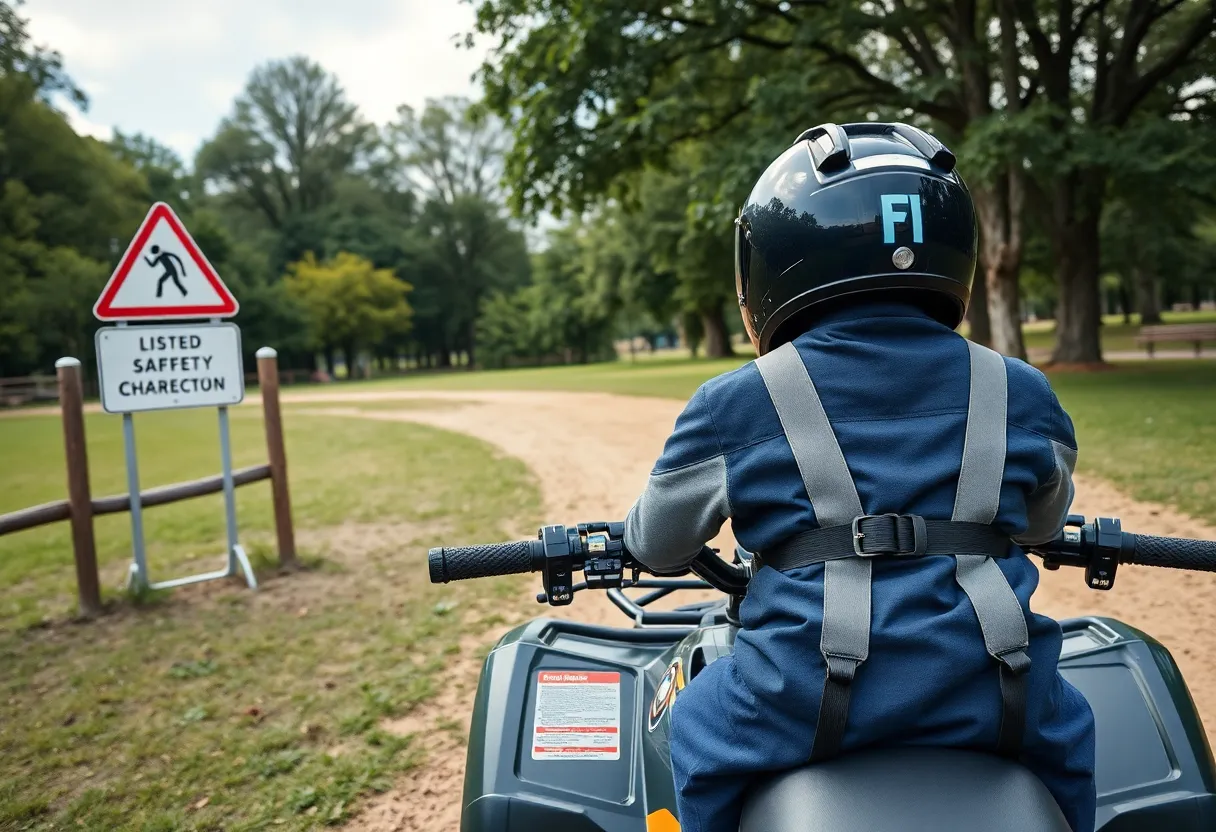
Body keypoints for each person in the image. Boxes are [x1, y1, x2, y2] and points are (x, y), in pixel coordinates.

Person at [623, 123, 1097, 832]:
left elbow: (658, 544)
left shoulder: (736, 403)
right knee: (1075, 736)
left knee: (691, 725)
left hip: (799, 699)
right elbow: (1040, 526)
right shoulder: (1022, 391)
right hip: (995, 690)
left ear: (776, 263)